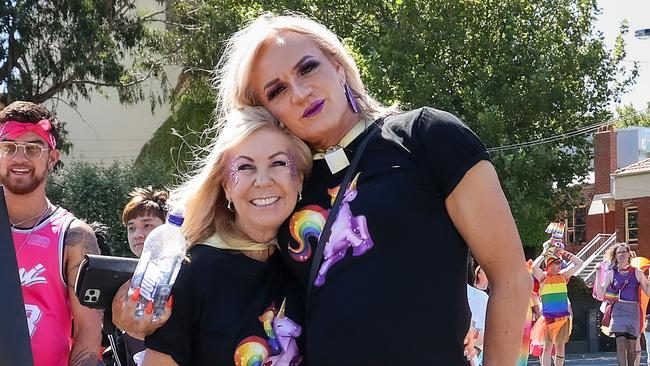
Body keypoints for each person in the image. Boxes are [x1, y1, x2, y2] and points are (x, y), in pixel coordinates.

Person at [114, 12, 530, 365]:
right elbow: (215, 273)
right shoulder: (284, 186)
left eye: (307, 68)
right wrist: (130, 309)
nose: (299, 92)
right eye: (276, 90)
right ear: (267, 111)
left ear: (337, 62)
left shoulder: (426, 135)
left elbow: (510, 276)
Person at [116, 107, 312, 365]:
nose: (262, 181)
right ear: (227, 187)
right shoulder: (193, 270)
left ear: (298, 179)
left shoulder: (310, 262)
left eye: (278, 163)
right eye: (244, 167)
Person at [0, 101, 102, 366]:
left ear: (52, 158)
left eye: (33, 148)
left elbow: (88, 332)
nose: (19, 158)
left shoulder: (74, 237)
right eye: (8, 147)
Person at [105, 188, 170, 366]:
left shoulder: (183, 276)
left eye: (147, 225)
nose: (137, 234)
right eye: (131, 228)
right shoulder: (125, 281)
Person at [531, 247, 583, 366]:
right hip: (548, 318)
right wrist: (544, 254)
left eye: (560, 262)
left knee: (560, 346)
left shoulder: (563, 276)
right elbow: (534, 267)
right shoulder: (543, 277)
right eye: (557, 262)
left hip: (563, 317)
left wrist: (564, 253)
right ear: (548, 264)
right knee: (548, 347)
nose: (560, 265)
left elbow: (579, 263)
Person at [600, 243, 650, 366]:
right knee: (620, 342)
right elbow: (601, 292)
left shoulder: (637, 272)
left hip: (633, 310)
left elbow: (648, 292)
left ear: (629, 254)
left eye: (624, 252)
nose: (622, 254)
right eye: (619, 252)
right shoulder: (612, 273)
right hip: (618, 310)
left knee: (631, 349)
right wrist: (597, 274)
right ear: (615, 255)